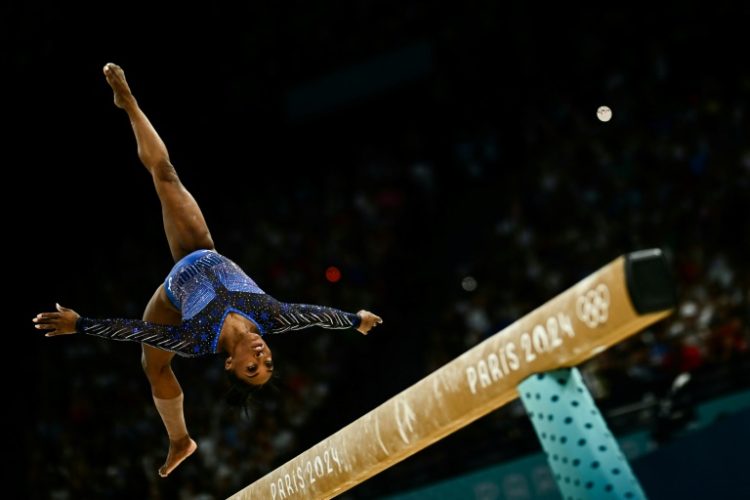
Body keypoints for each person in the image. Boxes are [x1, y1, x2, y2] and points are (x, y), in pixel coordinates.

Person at [32, 62, 383, 478]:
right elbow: (317, 316)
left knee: (154, 365)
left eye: (252, 369)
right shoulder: (272, 318)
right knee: (165, 174)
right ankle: (129, 104)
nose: (261, 358)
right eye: (268, 364)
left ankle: (179, 438)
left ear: (229, 366)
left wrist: (81, 324)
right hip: (200, 249)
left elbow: (137, 331)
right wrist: (355, 320)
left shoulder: (197, 340)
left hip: (170, 296)